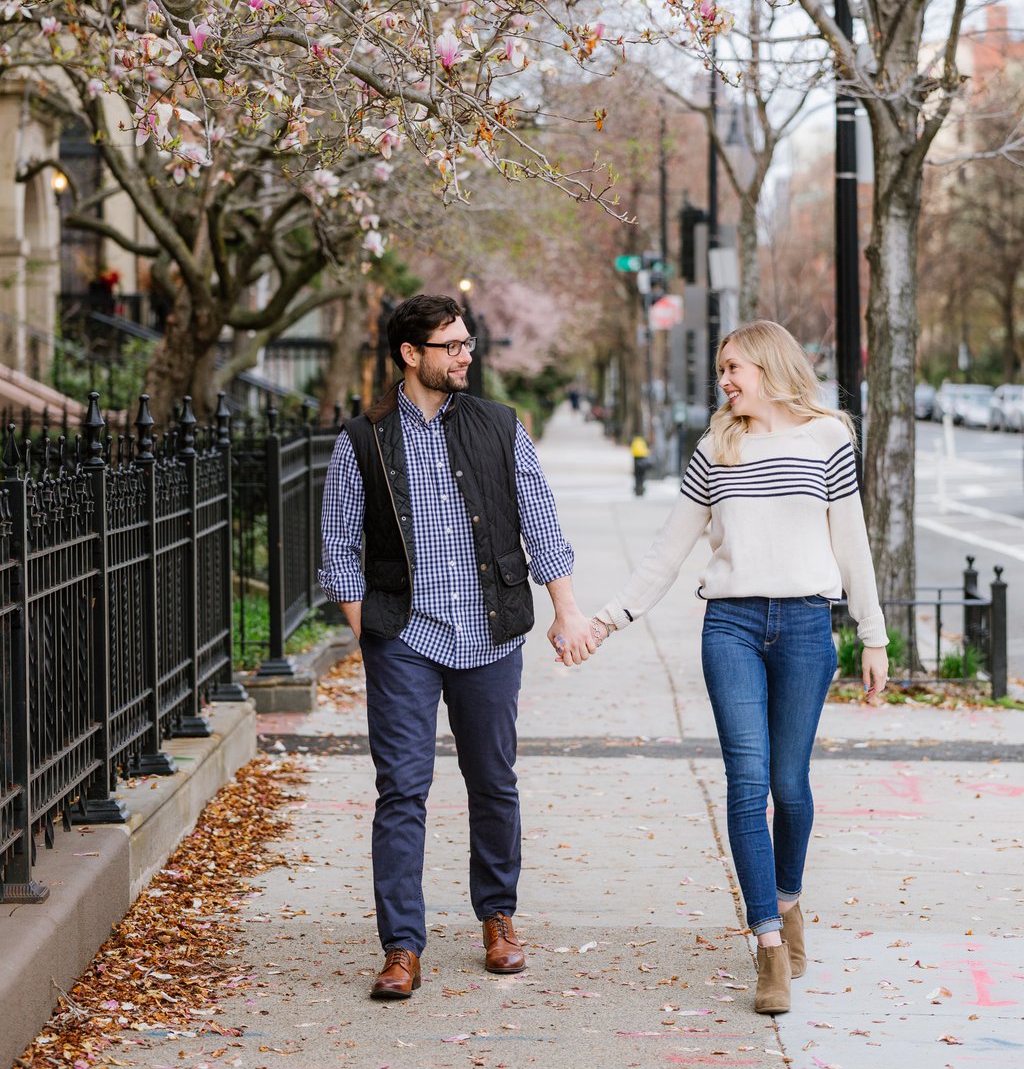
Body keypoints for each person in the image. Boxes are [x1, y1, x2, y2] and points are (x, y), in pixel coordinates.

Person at [585, 320, 888, 1016]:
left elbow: (853, 543)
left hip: (809, 626)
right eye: (722, 369)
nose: (724, 381)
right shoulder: (716, 448)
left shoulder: (826, 440)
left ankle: (788, 897)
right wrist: (608, 619)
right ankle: (768, 945)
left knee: (791, 783)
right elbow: (668, 550)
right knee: (748, 782)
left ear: (769, 366)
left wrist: (873, 638)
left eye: (734, 368)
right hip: (732, 628)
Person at [318, 294, 594, 1001]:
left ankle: (498, 919)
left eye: (468, 344)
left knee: (493, 782)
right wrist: (370, 633)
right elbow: (339, 548)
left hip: (491, 631)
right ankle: (402, 946)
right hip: (403, 638)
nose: (466, 355)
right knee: (402, 790)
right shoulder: (363, 438)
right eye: (451, 346)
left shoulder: (501, 426)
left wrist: (566, 609)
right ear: (411, 355)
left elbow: (540, 518)